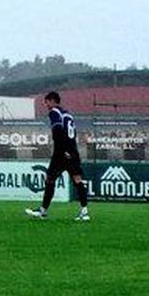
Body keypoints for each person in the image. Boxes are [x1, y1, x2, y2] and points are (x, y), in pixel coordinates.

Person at [27, 91, 91, 222]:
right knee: (77, 180)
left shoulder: (54, 112)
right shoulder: (68, 114)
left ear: (52, 101)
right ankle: (84, 212)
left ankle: (43, 211)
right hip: (73, 151)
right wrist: (70, 150)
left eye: (46, 102)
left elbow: (57, 131)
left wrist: (62, 151)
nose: (45, 105)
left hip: (61, 152)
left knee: (50, 179)